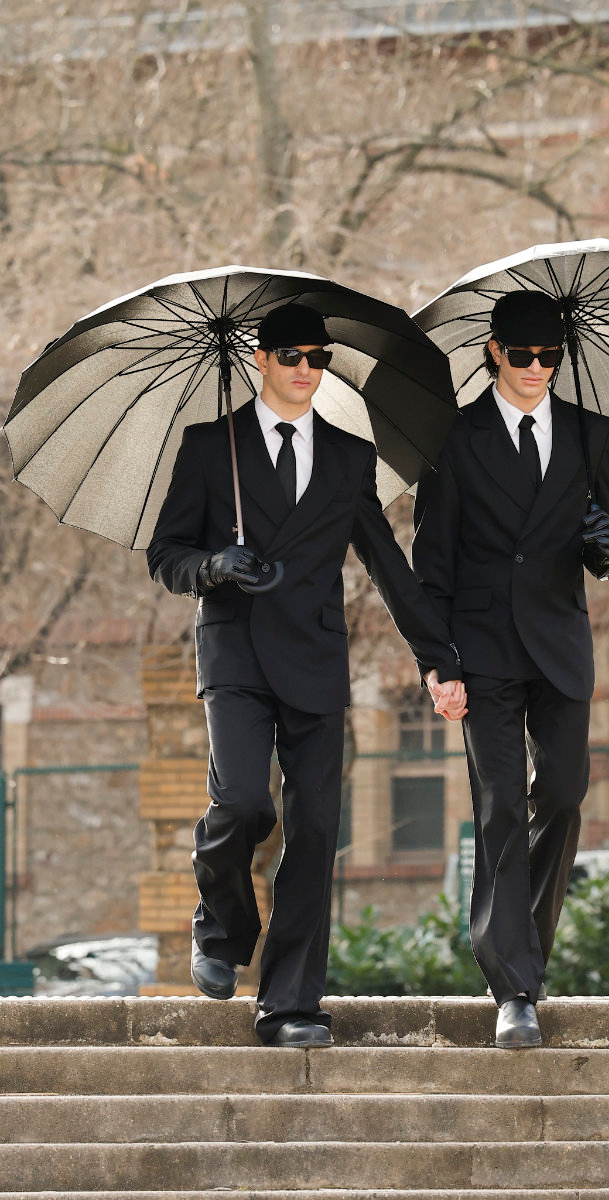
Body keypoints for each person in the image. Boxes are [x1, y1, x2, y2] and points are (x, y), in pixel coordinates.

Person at [147, 302, 465, 1047]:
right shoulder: (209, 448)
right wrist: (214, 566)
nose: (304, 370)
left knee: (317, 830)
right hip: (236, 656)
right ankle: (222, 926)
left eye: (317, 358)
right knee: (242, 803)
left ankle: (290, 1004)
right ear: (260, 359)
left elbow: (386, 564)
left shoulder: (350, 456)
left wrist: (437, 658)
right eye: (290, 356)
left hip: (316, 661)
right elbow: (166, 556)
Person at [412, 290, 609, 1048]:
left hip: (560, 644)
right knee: (501, 804)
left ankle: (522, 949)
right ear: (494, 352)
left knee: (563, 796)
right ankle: (514, 987)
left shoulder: (590, 432)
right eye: (523, 354)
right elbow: (431, 561)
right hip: (483, 650)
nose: (537, 368)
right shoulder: (453, 437)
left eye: (550, 356)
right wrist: (436, 664)